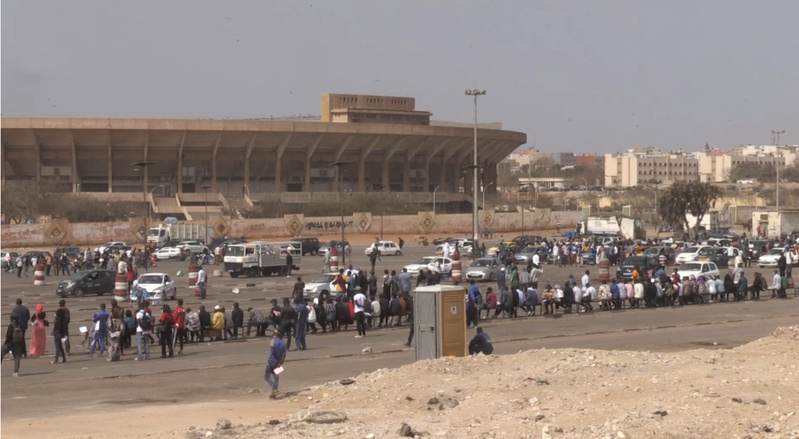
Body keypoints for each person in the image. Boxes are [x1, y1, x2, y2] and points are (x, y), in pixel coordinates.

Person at [264, 330, 286, 399]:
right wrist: (280, 362)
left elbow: (272, 350)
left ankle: (275, 389)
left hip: (271, 360)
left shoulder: (273, 340)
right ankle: (274, 394)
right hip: (278, 362)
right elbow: (284, 353)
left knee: (266, 376)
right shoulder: (282, 342)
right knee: (276, 377)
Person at [52, 300, 70, 364]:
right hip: (64, 329)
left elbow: (57, 326)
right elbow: (67, 320)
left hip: (58, 331)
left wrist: (54, 331)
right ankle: (65, 356)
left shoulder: (58, 319)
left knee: (58, 345)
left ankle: (56, 359)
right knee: (61, 344)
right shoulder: (66, 311)